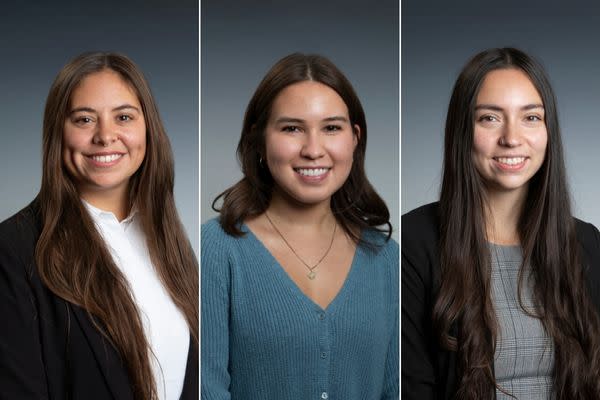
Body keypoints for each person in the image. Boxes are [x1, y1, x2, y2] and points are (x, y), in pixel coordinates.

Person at [402, 47, 600, 399]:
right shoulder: (414, 243)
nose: (511, 138)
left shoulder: (586, 243)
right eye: (490, 118)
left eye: (531, 117)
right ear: (463, 131)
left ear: (548, 131)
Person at [0, 52, 198, 400]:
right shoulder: (13, 249)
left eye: (123, 117)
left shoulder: (169, 241)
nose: (106, 136)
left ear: (148, 127)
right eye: (84, 119)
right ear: (57, 132)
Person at [201, 53, 398, 399]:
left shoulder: (388, 260)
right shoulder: (216, 250)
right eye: (292, 128)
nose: (313, 149)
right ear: (259, 139)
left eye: (331, 128)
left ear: (354, 138)